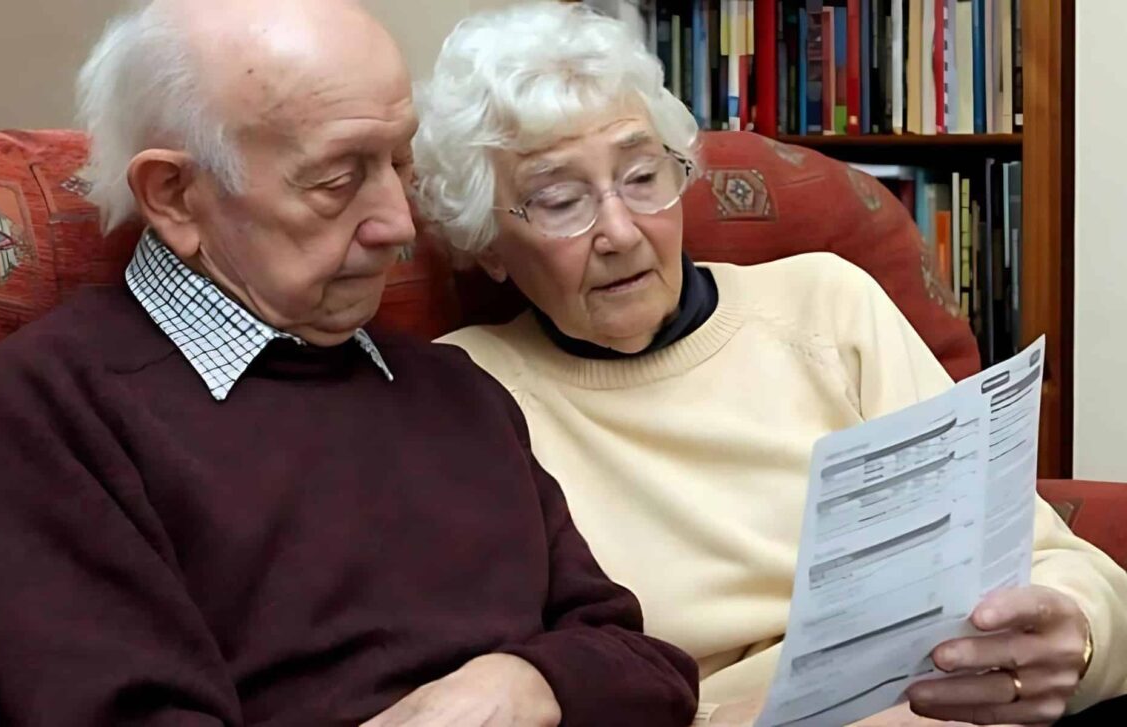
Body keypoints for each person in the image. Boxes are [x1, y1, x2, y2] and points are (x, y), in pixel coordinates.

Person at [0, 1, 702, 725]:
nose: (399, 224)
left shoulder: (453, 387)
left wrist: (527, 682)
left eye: (400, 164)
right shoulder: (52, 408)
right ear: (174, 195)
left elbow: (647, 666)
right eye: (338, 180)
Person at [414, 3, 1127, 725]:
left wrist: (1076, 630)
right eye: (560, 200)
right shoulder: (466, 394)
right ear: (488, 245)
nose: (622, 232)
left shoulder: (826, 304)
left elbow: (1046, 555)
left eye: (641, 175)